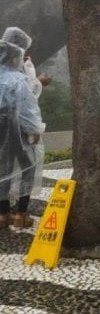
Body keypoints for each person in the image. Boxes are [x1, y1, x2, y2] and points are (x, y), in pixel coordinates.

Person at [0, 39, 45, 229]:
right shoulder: (18, 79)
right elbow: (28, 108)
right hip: (18, 129)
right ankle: (20, 214)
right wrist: (34, 129)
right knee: (28, 166)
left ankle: (3, 214)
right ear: (14, 58)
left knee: (3, 169)